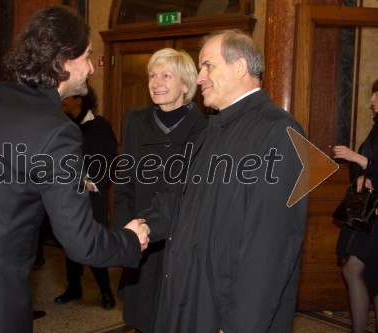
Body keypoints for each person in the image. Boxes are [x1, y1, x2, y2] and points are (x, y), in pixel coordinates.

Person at [0, 6, 149, 333]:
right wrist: (130, 242)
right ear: (64, 61)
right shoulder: (58, 130)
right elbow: (79, 242)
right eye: (88, 56)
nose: (92, 67)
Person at [139, 29, 308, 332]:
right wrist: (141, 227)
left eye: (208, 66)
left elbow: (270, 249)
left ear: (240, 67)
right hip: (194, 300)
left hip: (227, 314)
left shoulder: (279, 133)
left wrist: (237, 325)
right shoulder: (212, 130)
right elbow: (181, 201)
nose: (199, 77)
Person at [113, 48, 206, 332]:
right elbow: (125, 182)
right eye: (152, 76)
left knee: (177, 319)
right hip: (142, 239)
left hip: (182, 242)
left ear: (186, 84)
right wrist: (124, 234)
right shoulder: (136, 122)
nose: (156, 83)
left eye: (166, 75)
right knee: (143, 317)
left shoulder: (204, 127)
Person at [54, 85, 118, 309]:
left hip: (92, 195)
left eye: (67, 96)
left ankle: (105, 290)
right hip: (67, 194)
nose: (62, 99)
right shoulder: (63, 125)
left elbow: (104, 163)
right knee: (69, 239)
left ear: (79, 101)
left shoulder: (99, 127)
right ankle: (74, 287)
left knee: (93, 241)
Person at [333, 78, 378, 333]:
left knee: (354, 269)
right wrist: (362, 173)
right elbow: (367, 167)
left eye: (376, 94)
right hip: (370, 214)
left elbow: (369, 161)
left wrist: (358, 159)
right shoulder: (376, 128)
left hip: (376, 219)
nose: (372, 101)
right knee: (373, 278)